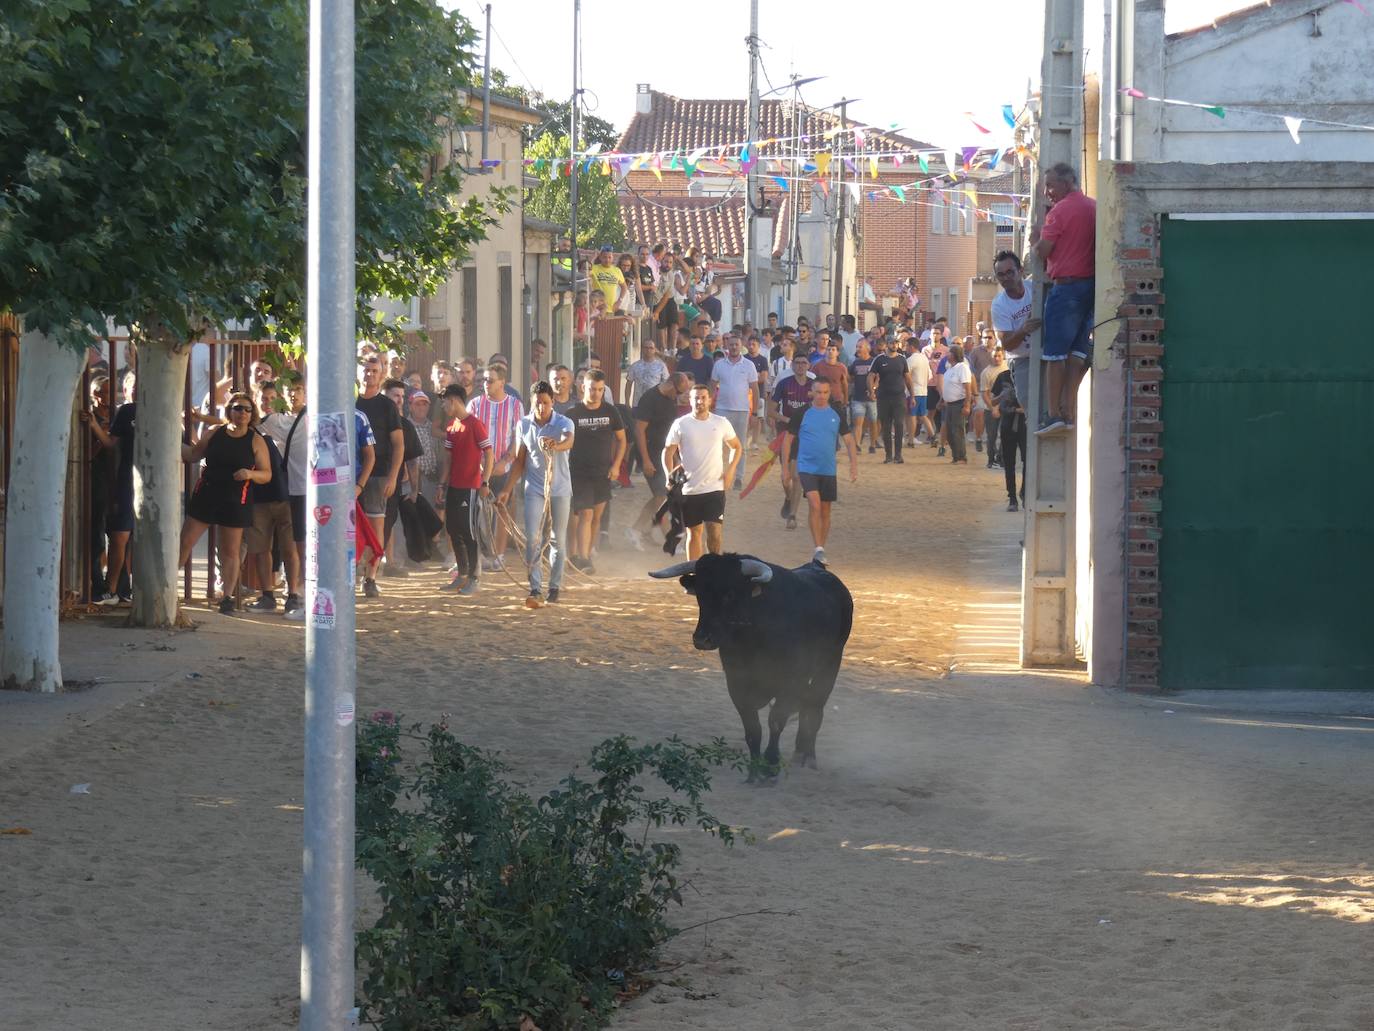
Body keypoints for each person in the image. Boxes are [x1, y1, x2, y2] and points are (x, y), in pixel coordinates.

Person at [281, 370, 375, 620]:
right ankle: (311, 600)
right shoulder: (313, 416)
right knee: (315, 547)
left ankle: (341, 601)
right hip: (314, 494)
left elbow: (369, 456)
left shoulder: (357, 417)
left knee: (343, 548)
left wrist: (359, 487)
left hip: (345, 496)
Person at [178, 393, 272, 614]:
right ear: (229, 410)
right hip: (207, 494)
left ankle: (227, 597)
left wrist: (249, 473)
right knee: (185, 541)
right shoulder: (216, 433)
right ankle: (169, 587)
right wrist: (170, 438)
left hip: (236, 499)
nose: (242, 413)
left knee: (230, 551)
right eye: (238, 408)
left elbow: (266, 474)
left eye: (247, 410)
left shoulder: (255, 440)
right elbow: (192, 454)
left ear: (253, 414)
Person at [1033, 162, 1096, 432]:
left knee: (1055, 354)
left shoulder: (1058, 212)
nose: (1047, 191)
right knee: (1078, 353)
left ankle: (1053, 413)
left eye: (1050, 185)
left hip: (1066, 287)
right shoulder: (1093, 207)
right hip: (1090, 286)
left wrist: (1036, 242)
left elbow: (1044, 250)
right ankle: (1070, 411)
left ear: (1067, 183)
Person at [499, 382, 575, 607]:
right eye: (537, 403)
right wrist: (506, 489)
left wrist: (555, 445)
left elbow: (569, 439)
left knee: (557, 539)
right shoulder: (523, 424)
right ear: (531, 403)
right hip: (533, 489)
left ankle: (554, 585)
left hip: (560, 489)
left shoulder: (564, 422)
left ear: (552, 402)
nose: (541, 407)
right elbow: (520, 461)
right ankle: (535, 587)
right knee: (532, 537)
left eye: (545, 402)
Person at [779, 379, 858, 566]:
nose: (821, 396)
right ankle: (818, 549)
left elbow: (848, 440)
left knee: (825, 509)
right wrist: (784, 469)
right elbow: (787, 441)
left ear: (830, 393)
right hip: (807, 467)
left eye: (825, 392)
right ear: (811, 393)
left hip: (828, 468)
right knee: (814, 503)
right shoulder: (802, 413)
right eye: (818, 392)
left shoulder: (837, 413)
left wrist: (853, 465)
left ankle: (821, 547)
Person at [663, 383, 742, 560]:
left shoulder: (721, 422)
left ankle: (713, 570)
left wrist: (730, 471)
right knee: (694, 533)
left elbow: (736, 447)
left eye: (703, 397)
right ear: (689, 400)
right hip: (690, 489)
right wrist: (669, 475)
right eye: (696, 398)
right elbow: (668, 451)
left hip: (715, 487)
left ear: (710, 400)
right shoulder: (680, 424)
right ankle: (693, 574)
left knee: (714, 532)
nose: (700, 401)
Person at [243, 381, 299, 613]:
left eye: (271, 398)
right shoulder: (250, 428)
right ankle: (267, 595)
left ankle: (293, 594)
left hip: (286, 493)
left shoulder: (288, 424)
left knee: (290, 547)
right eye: (262, 398)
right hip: (260, 495)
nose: (266, 403)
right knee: (260, 547)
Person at [566, 370, 626, 574]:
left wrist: (616, 465)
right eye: (592, 389)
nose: (596, 393)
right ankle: (582, 559)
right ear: (583, 387)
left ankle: (586, 553)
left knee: (596, 518)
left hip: (603, 473)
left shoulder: (611, 411)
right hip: (579, 473)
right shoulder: (573, 413)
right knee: (585, 514)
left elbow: (622, 439)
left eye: (600, 390)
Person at [436, 384, 493, 595]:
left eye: (444, 401)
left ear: (453, 400)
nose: (443, 406)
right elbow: (448, 460)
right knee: (453, 529)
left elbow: (489, 453)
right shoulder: (451, 426)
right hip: (454, 486)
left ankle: (474, 576)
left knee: (469, 531)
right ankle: (461, 575)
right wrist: (442, 484)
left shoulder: (475, 424)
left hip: (470, 487)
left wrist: (484, 482)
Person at [355, 353, 404, 597]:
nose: (369, 374)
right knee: (350, 527)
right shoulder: (350, 401)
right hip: (351, 474)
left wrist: (394, 476)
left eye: (375, 370)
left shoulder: (387, 406)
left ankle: (371, 577)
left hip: (379, 473)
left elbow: (399, 444)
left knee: (376, 527)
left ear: (382, 374)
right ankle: (352, 572)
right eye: (366, 369)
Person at [468, 362, 524, 572]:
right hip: (479, 467)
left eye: (490, 380)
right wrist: (479, 462)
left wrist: (506, 461)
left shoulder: (515, 405)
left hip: (502, 467)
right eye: (483, 380)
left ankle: (499, 554)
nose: (486, 384)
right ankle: (480, 554)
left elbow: (518, 437)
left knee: (502, 511)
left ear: (502, 382)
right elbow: (469, 433)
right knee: (477, 512)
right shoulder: (474, 404)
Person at [631, 372, 690, 548]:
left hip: (665, 453)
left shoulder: (670, 400)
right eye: (679, 392)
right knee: (662, 495)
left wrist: (677, 457)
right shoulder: (649, 399)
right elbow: (639, 431)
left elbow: (669, 432)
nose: (680, 397)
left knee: (666, 495)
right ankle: (647, 533)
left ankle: (642, 530)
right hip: (649, 453)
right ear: (672, 385)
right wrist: (646, 460)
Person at [991, 250, 1041, 436]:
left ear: (1020, 271)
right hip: (1022, 360)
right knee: (1031, 410)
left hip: (1046, 353)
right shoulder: (999, 305)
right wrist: (1023, 329)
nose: (1006, 278)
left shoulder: (1034, 288)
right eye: (1001, 274)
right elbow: (1006, 344)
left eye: (1010, 272)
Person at [709, 336, 758, 491]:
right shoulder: (719, 365)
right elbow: (712, 386)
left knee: (740, 445)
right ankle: (719, 474)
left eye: (737, 344)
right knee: (718, 444)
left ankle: (738, 477)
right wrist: (708, 406)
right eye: (731, 345)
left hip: (742, 410)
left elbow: (755, 389)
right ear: (727, 346)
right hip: (721, 409)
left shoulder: (749, 365)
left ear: (741, 345)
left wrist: (755, 412)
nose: (734, 347)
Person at [868, 336, 913, 464]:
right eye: (891, 343)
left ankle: (898, 455)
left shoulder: (902, 360)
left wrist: (912, 395)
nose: (894, 345)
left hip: (899, 397)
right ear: (887, 344)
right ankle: (888, 455)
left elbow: (907, 378)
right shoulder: (879, 359)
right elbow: (870, 376)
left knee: (899, 424)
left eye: (896, 343)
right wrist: (871, 391)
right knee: (886, 426)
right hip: (883, 397)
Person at [989, 358, 1027, 511]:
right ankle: (1012, 497)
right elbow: (992, 402)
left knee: (1028, 461)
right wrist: (1002, 396)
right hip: (1007, 424)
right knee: (1009, 462)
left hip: (1025, 423)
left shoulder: (1028, 375)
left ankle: (1025, 492)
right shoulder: (1003, 376)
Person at [941, 343, 974, 464]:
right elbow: (947, 386)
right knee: (950, 432)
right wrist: (942, 400)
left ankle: (961, 456)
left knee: (958, 431)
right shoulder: (950, 368)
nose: (947, 354)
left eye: (950, 352)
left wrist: (967, 405)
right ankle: (955, 456)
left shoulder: (962, 367)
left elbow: (967, 388)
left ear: (955, 355)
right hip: (949, 404)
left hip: (958, 403)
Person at [966, 330, 995, 453]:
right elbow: (971, 372)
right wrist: (973, 392)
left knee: (994, 415)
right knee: (979, 412)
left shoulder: (999, 351)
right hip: (979, 387)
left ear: (994, 338)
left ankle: (992, 441)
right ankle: (978, 438)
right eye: (984, 337)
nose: (987, 339)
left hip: (996, 388)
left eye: (989, 337)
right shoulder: (975, 352)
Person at [904, 334, 936, 447]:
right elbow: (930, 375)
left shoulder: (910, 360)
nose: (905, 348)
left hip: (913, 392)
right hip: (923, 391)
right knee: (923, 415)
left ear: (912, 347)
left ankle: (911, 440)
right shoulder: (924, 358)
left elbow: (906, 376)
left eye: (907, 346)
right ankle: (932, 436)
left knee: (911, 415)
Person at [980, 345, 1009, 468]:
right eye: (994, 356)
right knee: (991, 436)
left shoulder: (1008, 367)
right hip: (991, 408)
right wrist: (992, 408)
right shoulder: (986, 372)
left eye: (999, 356)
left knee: (1005, 435)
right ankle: (991, 459)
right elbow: (985, 393)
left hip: (1007, 408)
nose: (997, 358)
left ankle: (1001, 459)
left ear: (1003, 356)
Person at [744, 334, 770, 452]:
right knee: (746, 417)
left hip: (758, 392)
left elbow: (763, 378)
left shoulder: (763, 360)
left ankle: (754, 441)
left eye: (754, 344)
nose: (751, 346)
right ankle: (745, 438)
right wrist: (755, 377)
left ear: (759, 346)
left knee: (759, 416)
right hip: (744, 393)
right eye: (749, 344)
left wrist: (750, 379)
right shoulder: (743, 359)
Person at [626, 339, 668, 407]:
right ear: (642, 349)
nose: (648, 350)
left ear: (655, 350)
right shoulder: (635, 366)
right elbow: (628, 384)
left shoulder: (661, 366)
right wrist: (627, 402)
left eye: (651, 348)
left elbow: (666, 384)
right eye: (646, 347)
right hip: (638, 404)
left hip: (656, 404)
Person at [589, 245, 626, 315]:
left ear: (613, 258)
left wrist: (619, 301)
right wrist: (593, 257)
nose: (607, 260)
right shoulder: (594, 268)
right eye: (604, 257)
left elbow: (624, 287)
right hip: (597, 309)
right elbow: (586, 272)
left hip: (611, 309)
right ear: (600, 257)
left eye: (609, 257)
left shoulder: (617, 270)